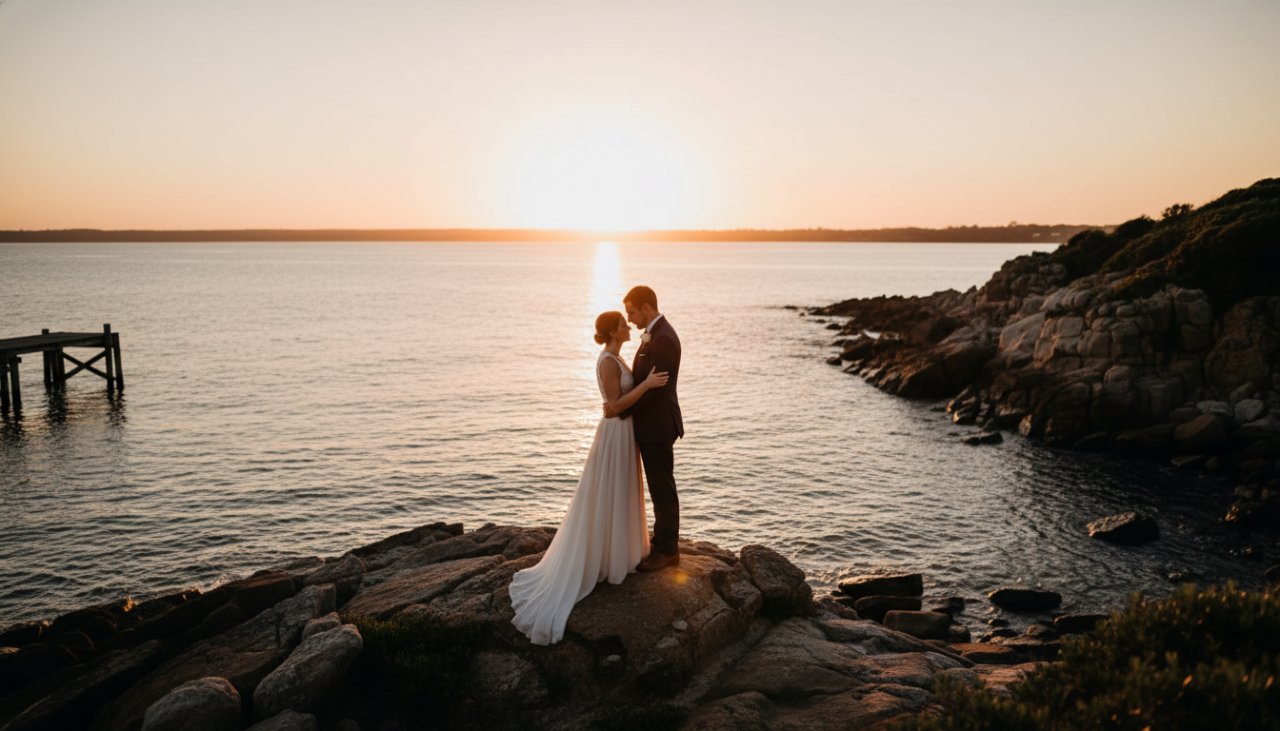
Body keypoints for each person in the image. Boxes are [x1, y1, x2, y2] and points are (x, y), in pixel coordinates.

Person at [508, 311, 668, 645]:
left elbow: (618, 403)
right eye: (624, 324)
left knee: (620, 492)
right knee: (608, 492)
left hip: (624, 434)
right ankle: (605, 555)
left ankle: (617, 551)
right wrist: (648, 386)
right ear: (613, 331)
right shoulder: (608, 361)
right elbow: (613, 405)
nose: (629, 327)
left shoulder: (617, 357)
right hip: (614, 434)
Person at [611, 285, 683, 572]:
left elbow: (657, 389)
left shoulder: (663, 338)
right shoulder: (656, 333)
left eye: (631, 311)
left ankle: (668, 551)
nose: (629, 319)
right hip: (652, 424)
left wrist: (621, 408)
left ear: (645, 307)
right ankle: (661, 541)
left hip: (658, 425)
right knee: (657, 486)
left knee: (662, 488)